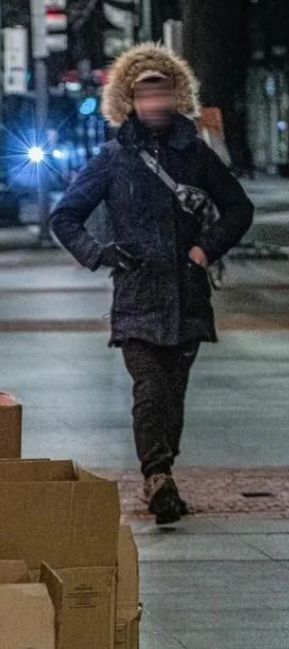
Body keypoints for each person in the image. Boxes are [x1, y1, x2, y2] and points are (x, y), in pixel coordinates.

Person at [51, 43, 254, 525]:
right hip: (138, 294)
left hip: (187, 295)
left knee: (173, 394)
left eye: (162, 92)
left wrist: (207, 247)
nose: (154, 104)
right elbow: (66, 215)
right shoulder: (113, 158)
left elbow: (239, 208)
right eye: (145, 95)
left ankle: (163, 469)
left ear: (177, 94)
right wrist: (99, 254)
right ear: (128, 100)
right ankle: (157, 476)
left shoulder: (196, 154)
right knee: (150, 389)